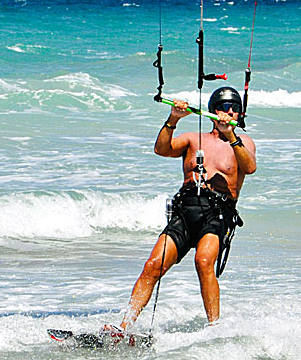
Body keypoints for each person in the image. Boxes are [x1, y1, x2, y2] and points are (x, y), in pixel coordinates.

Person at [108, 86, 257, 332]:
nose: (228, 112)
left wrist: (231, 135)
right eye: (222, 108)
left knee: (204, 260)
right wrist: (173, 119)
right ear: (213, 111)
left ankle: (214, 328)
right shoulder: (193, 139)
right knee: (153, 265)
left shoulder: (243, 143)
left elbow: (249, 167)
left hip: (217, 213)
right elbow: (162, 149)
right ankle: (124, 327)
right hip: (185, 210)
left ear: (240, 115)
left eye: (234, 109)